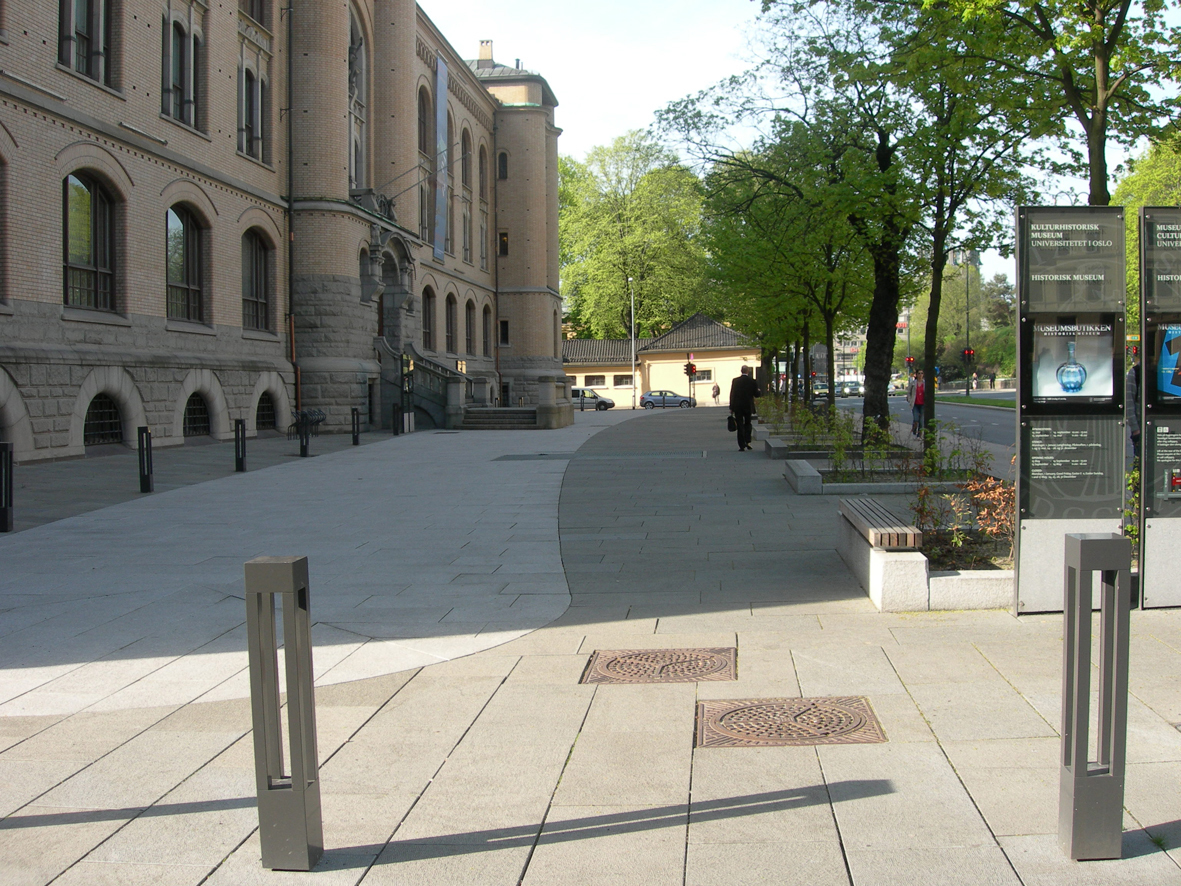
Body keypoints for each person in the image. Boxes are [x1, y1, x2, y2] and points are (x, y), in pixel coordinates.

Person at [729, 365, 760, 451]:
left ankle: (741, 445)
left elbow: (732, 394)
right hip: (748, 406)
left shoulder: (735, 381)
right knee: (748, 423)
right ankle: (748, 441)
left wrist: (731, 407)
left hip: (738, 406)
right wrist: (759, 391)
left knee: (739, 424)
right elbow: (756, 394)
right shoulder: (752, 381)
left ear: (741, 371)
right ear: (748, 371)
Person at [907, 370, 925, 437]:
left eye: (921, 373)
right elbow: (909, 392)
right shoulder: (913, 383)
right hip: (915, 404)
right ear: (916, 375)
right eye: (919, 373)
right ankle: (914, 428)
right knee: (916, 419)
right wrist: (909, 400)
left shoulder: (925, 383)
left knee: (921, 420)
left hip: (923, 404)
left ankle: (919, 434)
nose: (920, 375)